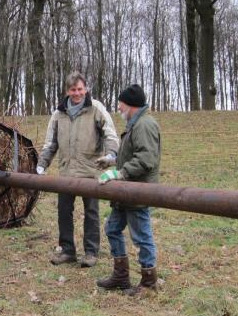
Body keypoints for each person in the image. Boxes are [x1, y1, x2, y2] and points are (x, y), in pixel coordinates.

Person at [36, 72, 119, 267]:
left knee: (91, 211)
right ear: (67, 91)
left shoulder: (96, 109)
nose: (77, 93)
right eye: (73, 90)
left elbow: (110, 134)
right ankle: (67, 251)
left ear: (86, 89)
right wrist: (42, 164)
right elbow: (50, 143)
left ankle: (91, 252)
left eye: (80, 89)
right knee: (64, 211)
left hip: (90, 171)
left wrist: (111, 154)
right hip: (66, 172)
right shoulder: (59, 113)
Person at [96, 83, 161, 293]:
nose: (119, 109)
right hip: (126, 192)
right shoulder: (135, 124)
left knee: (142, 237)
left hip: (138, 192)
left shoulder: (144, 125)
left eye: (121, 105)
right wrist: (111, 161)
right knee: (112, 229)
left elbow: (146, 159)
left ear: (130, 105)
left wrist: (120, 173)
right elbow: (132, 155)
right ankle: (121, 276)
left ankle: (149, 283)